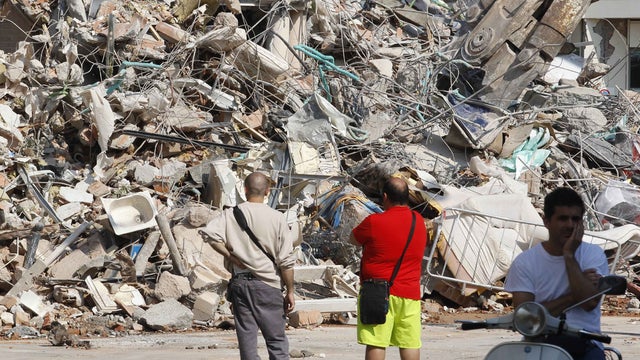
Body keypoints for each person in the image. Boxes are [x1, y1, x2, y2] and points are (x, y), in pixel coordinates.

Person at [200, 172, 299, 360]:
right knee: (276, 342)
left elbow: (209, 235)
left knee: (247, 344)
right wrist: (291, 291)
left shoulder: (231, 214)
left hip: (240, 285)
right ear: (267, 191)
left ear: (244, 190)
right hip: (268, 286)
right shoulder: (277, 218)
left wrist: (229, 255)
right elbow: (286, 261)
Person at [504, 187, 609, 360]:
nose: (569, 225)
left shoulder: (593, 254)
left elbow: (590, 303)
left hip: (586, 342)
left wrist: (569, 255)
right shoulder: (525, 262)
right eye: (562, 218)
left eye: (575, 219)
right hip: (540, 343)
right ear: (546, 221)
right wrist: (575, 296)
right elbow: (526, 319)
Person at [349, 177, 428, 360]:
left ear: (385, 196)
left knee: (377, 342)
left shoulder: (374, 221)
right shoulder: (419, 222)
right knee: (409, 343)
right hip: (410, 294)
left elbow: (353, 239)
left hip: (377, 291)